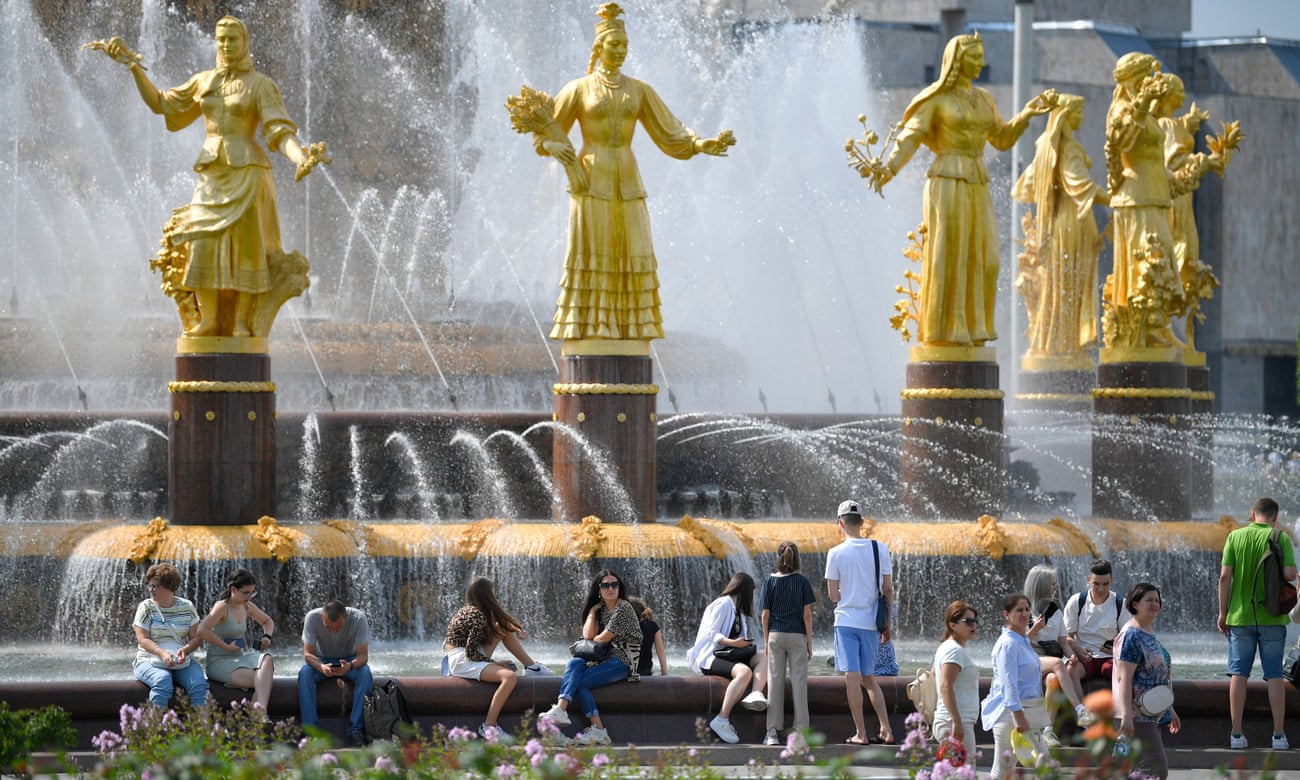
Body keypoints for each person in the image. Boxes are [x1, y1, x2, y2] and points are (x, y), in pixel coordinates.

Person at [89, 16, 327, 338]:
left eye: (233, 39)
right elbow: (161, 104)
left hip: (249, 174)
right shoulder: (204, 82)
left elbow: (278, 131)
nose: (227, 46)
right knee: (202, 241)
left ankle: (242, 321)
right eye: (222, 40)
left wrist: (300, 157)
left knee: (245, 248)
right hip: (212, 174)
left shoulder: (260, 85)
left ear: (245, 44)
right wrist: (133, 66)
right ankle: (210, 319)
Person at [524, 2, 734, 342]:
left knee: (632, 249)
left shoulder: (639, 90)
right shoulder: (578, 89)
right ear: (599, 47)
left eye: (625, 46)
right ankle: (591, 326)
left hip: (628, 178)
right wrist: (554, 149)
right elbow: (544, 134)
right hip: (590, 180)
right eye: (614, 45)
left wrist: (698, 145)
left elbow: (669, 130)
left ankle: (631, 328)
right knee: (595, 251)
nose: (620, 51)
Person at [870, 32, 1055, 346]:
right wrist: (889, 168)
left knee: (987, 259)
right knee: (949, 253)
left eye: (981, 56)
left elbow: (1001, 139)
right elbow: (911, 137)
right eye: (975, 56)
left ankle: (974, 327)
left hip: (976, 180)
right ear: (957, 61)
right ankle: (947, 332)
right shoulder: (936, 98)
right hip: (947, 181)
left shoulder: (983, 98)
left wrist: (1026, 114)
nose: (981, 62)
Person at [1012, 93, 1107, 360]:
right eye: (1079, 112)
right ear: (1066, 116)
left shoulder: (1046, 146)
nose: (1083, 117)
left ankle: (1052, 342)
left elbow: (1026, 185)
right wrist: (1116, 199)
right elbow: (1080, 185)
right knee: (1067, 285)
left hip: (1058, 223)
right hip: (1073, 222)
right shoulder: (1069, 148)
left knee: (1057, 284)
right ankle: (1065, 346)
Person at [1101, 52, 1182, 347]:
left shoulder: (1148, 114)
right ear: (1135, 79)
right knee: (1147, 261)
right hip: (1134, 198)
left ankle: (1156, 323)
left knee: (1160, 260)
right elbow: (1121, 141)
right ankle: (1142, 328)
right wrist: (1141, 103)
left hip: (1154, 195)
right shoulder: (1121, 108)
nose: (1154, 80)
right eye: (1149, 74)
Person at [1218, 497, 1296, 750]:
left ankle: (1237, 734)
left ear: (1252, 514)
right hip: (1272, 617)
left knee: (1238, 674)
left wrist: (1223, 612)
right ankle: (1278, 735)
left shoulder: (1235, 537)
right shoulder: (1280, 537)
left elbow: (1224, 577)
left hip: (1240, 617)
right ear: (1275, 516)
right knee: (1274, 675)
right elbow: (1289, 575)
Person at [542, 569, 642, 746]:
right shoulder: (602, 610)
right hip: (604, 657)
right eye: (605, 585)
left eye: (614, 584)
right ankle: (560, 709)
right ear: (599, 589)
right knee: (575, 662)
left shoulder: (624, 608)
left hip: (623, 660)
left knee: (579, 682)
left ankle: (598, 729)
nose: (610, 588)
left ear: (619, 587)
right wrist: (592, 612)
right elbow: (588, 635)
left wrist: (595, 636)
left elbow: (600, 639)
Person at [444, 577, 549, 743]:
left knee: (502, 628)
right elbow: (471, 653)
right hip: (462, 660)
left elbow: (500, 625)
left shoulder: (472, 611)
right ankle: (489, 726)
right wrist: (493, 663)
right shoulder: (476, 616)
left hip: (466, 655)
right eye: (492, 593)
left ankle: (532, 667)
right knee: (509, 677)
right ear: (487, 596)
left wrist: (516, 628)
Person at [825, 499, 894, 745]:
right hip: (871, 623)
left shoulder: (835, 553)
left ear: (841, 523)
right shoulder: (880, 549)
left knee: (851, 677)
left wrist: (847, 592)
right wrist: (888, 624)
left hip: (845, 622)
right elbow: (887, 589)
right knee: (869, 678)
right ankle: (886, 729)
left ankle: (861, 733)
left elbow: (833, 596)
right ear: (862, 522)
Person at [688, 572, 770, 744]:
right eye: (752, 592)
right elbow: (712, 633)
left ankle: (755, 693)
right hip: (709, 657)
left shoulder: (738, 610)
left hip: (729, 654)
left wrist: (744, 644)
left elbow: (740, 639)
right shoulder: (723, 603)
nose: (753, 597)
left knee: (763, 657)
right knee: (744, 672)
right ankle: (722, 718)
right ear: (745, 590)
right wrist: (733, 643)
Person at [1113, 583, 1181, 779]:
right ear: (1135, 603)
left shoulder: (1147, 632)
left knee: (1138, 770)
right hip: (1136, 714)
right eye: (1149, 600)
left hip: (1151, 713)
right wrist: (1126, 716)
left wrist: (1169, 708)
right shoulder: (1131, 635)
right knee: (1157, 770)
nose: (1155, 604)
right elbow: (1123, 678)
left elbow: (1157, 676)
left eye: (1157, 600)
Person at [1022, 563, 1092, 746]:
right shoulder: (1022, 609)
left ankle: (1048, 731)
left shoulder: (1054, 610)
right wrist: (1035, 629)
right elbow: (1016, 644)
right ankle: (1079, 709)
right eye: (1052, 584)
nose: (1055, 588)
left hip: (1049, 660)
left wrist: (1071, 656)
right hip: (1028, 658)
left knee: (1053, 678)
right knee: (1057, 665)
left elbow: (1062, 641)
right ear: (1041, 585)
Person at [980, 593, 1047, 780]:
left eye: (1027, 609)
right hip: (1010, 715)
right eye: (1019, 610)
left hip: (1025, 712)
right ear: (1006, 614)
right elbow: (1008, 683)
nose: (1025, 614)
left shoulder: (1021, 641)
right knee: (1003, 768)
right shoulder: (1007, 645)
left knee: (1010, 768)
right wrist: (1019, 717)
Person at [759, 541, 816, 746]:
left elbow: (765, 615)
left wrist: (766, 640)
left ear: (778, 557)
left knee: (774, 682)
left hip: (775, 634)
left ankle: (772, 733)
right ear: (797, 558)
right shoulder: (802, 581)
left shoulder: (769, 582)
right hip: (797, 635)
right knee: (799, 684)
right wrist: (809, 642)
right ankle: (800, 733)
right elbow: (807, 615)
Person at [196, 568, 275, 714]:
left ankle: (259, 711)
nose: (250, 596)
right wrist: (224, 645)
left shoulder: (247, 606)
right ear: (233, 589)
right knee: (264, 680)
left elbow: (267, 621)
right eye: (246, 592)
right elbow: (201, 630)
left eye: (252, 592)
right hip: (219, 661)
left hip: (239, 657)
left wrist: (267, 637)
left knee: (267, 660)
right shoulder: (221, 607)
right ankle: (258, 714)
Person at [132, 562, 209, 709]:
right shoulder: (146, 607)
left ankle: (202, 730)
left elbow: (196, 637)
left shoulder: (187, 607)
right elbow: (143, 639)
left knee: (199, 685)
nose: (151, 590)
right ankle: (152, 729)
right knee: (162, 681)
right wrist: (161, 653)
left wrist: (185, 650)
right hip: (148, 659)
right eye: (150, 585)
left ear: (168, 586)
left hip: (180, 660)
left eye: (155, 586)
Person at [298, 600, 374, 747]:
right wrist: (321, 667)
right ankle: (311, 733)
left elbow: (363, 656)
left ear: (345, 617)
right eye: (329, 628)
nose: (334, 632)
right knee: (305, 673)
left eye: (338, 628)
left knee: (365, 673)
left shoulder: (359, 618)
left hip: (350, 660)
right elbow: (308, 654)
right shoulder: (312, 618)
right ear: (322, 618)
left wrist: (350, 666)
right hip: (321, 660)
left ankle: (356, 731)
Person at [1062, 559, 1123, 697]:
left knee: (1124, 671)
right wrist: (1079, 650)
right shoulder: (1077, 601)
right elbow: (1066, 637)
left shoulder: (1120, 603)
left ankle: (1122, 711)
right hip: (1085, 658)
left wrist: (1115, 648)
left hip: (1110, 658)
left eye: (1105, 584)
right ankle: (1081, 710)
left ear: (1111, 580)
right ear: (1089, 580)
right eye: (1096, 584)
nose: (1101, 589)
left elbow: (1129, 636)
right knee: (1070, 670)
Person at [933, 601, 980, 763]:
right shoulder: (954, 650)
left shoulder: (948, 647)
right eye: (968, 621)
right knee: (963, 774)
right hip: (955, 723)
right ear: (953, 625)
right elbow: (946, 686)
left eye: (975, 621)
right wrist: (956, 721)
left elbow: (935, 675)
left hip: (954, 721)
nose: (973, 625)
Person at [627, 596, 669, 677]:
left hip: (626, 672)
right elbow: (660, 650)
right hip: (645, 671)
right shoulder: (653, 625)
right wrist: (665, 674)